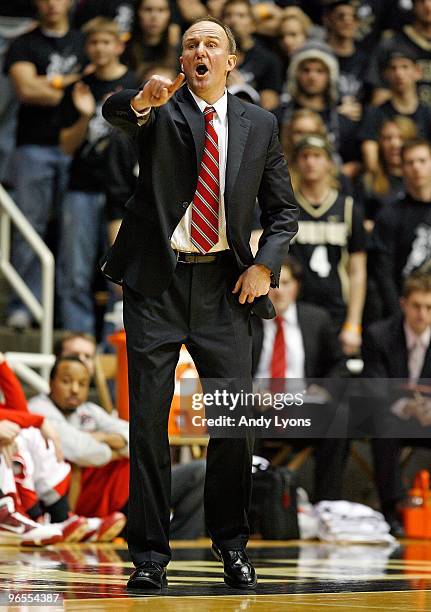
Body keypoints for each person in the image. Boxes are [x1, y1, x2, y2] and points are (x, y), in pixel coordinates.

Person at [101, 15, 298, 590]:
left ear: (230, 61)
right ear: (183, 60)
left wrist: (265, 265)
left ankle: (231, 545)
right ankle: (149, 558)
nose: (201, 50)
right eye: (192, 44)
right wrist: (140, 99)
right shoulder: (158, 107)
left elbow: (283, 212)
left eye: (213, 43)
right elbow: (116, 111)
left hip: (225, 288)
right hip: (156, 285)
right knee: (148, 425)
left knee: (235, 423)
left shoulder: (259, 124)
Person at [4, 0, 87, 329]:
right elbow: (26, 89)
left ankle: (72, 319)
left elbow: (97, 83)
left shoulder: (83, 41)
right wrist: (70, 83)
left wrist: (48, 83)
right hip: (33, 147)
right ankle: (24, 304)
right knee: (29, 229)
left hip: (78, 150)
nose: (53, 3)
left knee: (75, 236)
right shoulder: (24, 43)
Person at [57, 17, 138, 334]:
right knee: (75, 269)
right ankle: (79, 341)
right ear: (86, 47)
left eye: (106, 41)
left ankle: (112, 341)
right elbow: (66, 146)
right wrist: (85, 114)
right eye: (93, 42)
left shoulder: (135, 86)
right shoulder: (78, 87)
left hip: (125, 191)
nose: (100, 48)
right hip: (83, 186)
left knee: (119, 271)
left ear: (119, 46)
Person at [252, 256, 349, 502]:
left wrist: (325, 389)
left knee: (340, 416)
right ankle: (247, 507)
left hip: (302, 408)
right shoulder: (247, 319)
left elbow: (339, 364)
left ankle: (327, 504)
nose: (279, 291)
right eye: (272, 284)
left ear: (296, 287)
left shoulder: (316, 319)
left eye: (285, 283)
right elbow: (228, 367)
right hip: (258, 409)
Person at [362, 271, 431, 536]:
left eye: (428, 307)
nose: (422, 314)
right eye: (416, 306)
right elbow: (374, 387)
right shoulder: (379, 335)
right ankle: (392, 510)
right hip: (394, 414)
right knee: (383, 426)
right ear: (403, 304)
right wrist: (408, 406)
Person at [289, 134, 367, 355]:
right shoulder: (285, 209)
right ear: (296, 163)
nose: (310, 162)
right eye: (305, 156)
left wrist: (353, 323)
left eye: (317, 156)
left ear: (329, 163)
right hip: (298, 307)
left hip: (337, 310)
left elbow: (357, 271)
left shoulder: (349, 209)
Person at [282, 39, 361, 175]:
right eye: (306, 70)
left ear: (330, 76)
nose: (312, 77)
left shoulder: (343, 120)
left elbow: (355, 162)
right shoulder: (278, 116)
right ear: (295, 74)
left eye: (320, 71)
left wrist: (334, 176)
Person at [372, 139, 431, 317]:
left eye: (422, 161)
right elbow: (384, 273)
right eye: (410, 162)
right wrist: (400, 316)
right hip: (407, 310)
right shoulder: (389, 215)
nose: (416, 167)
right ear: (402, 168)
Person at [360, 48, 431, 175]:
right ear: (385, 74)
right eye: (393, 68)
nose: (399, 73)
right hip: (386, 180)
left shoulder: (428, 113)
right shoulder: (375, 113)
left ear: (418, 72)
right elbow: (371, 160)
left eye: (405, 67)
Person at [221, 0, 283, 111]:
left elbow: (269, 109)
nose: (233, 21)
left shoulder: (268, 60)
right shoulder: (212, 57)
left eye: (241, 15)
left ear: (253, 25)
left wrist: (242, 89)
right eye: (228, 15)